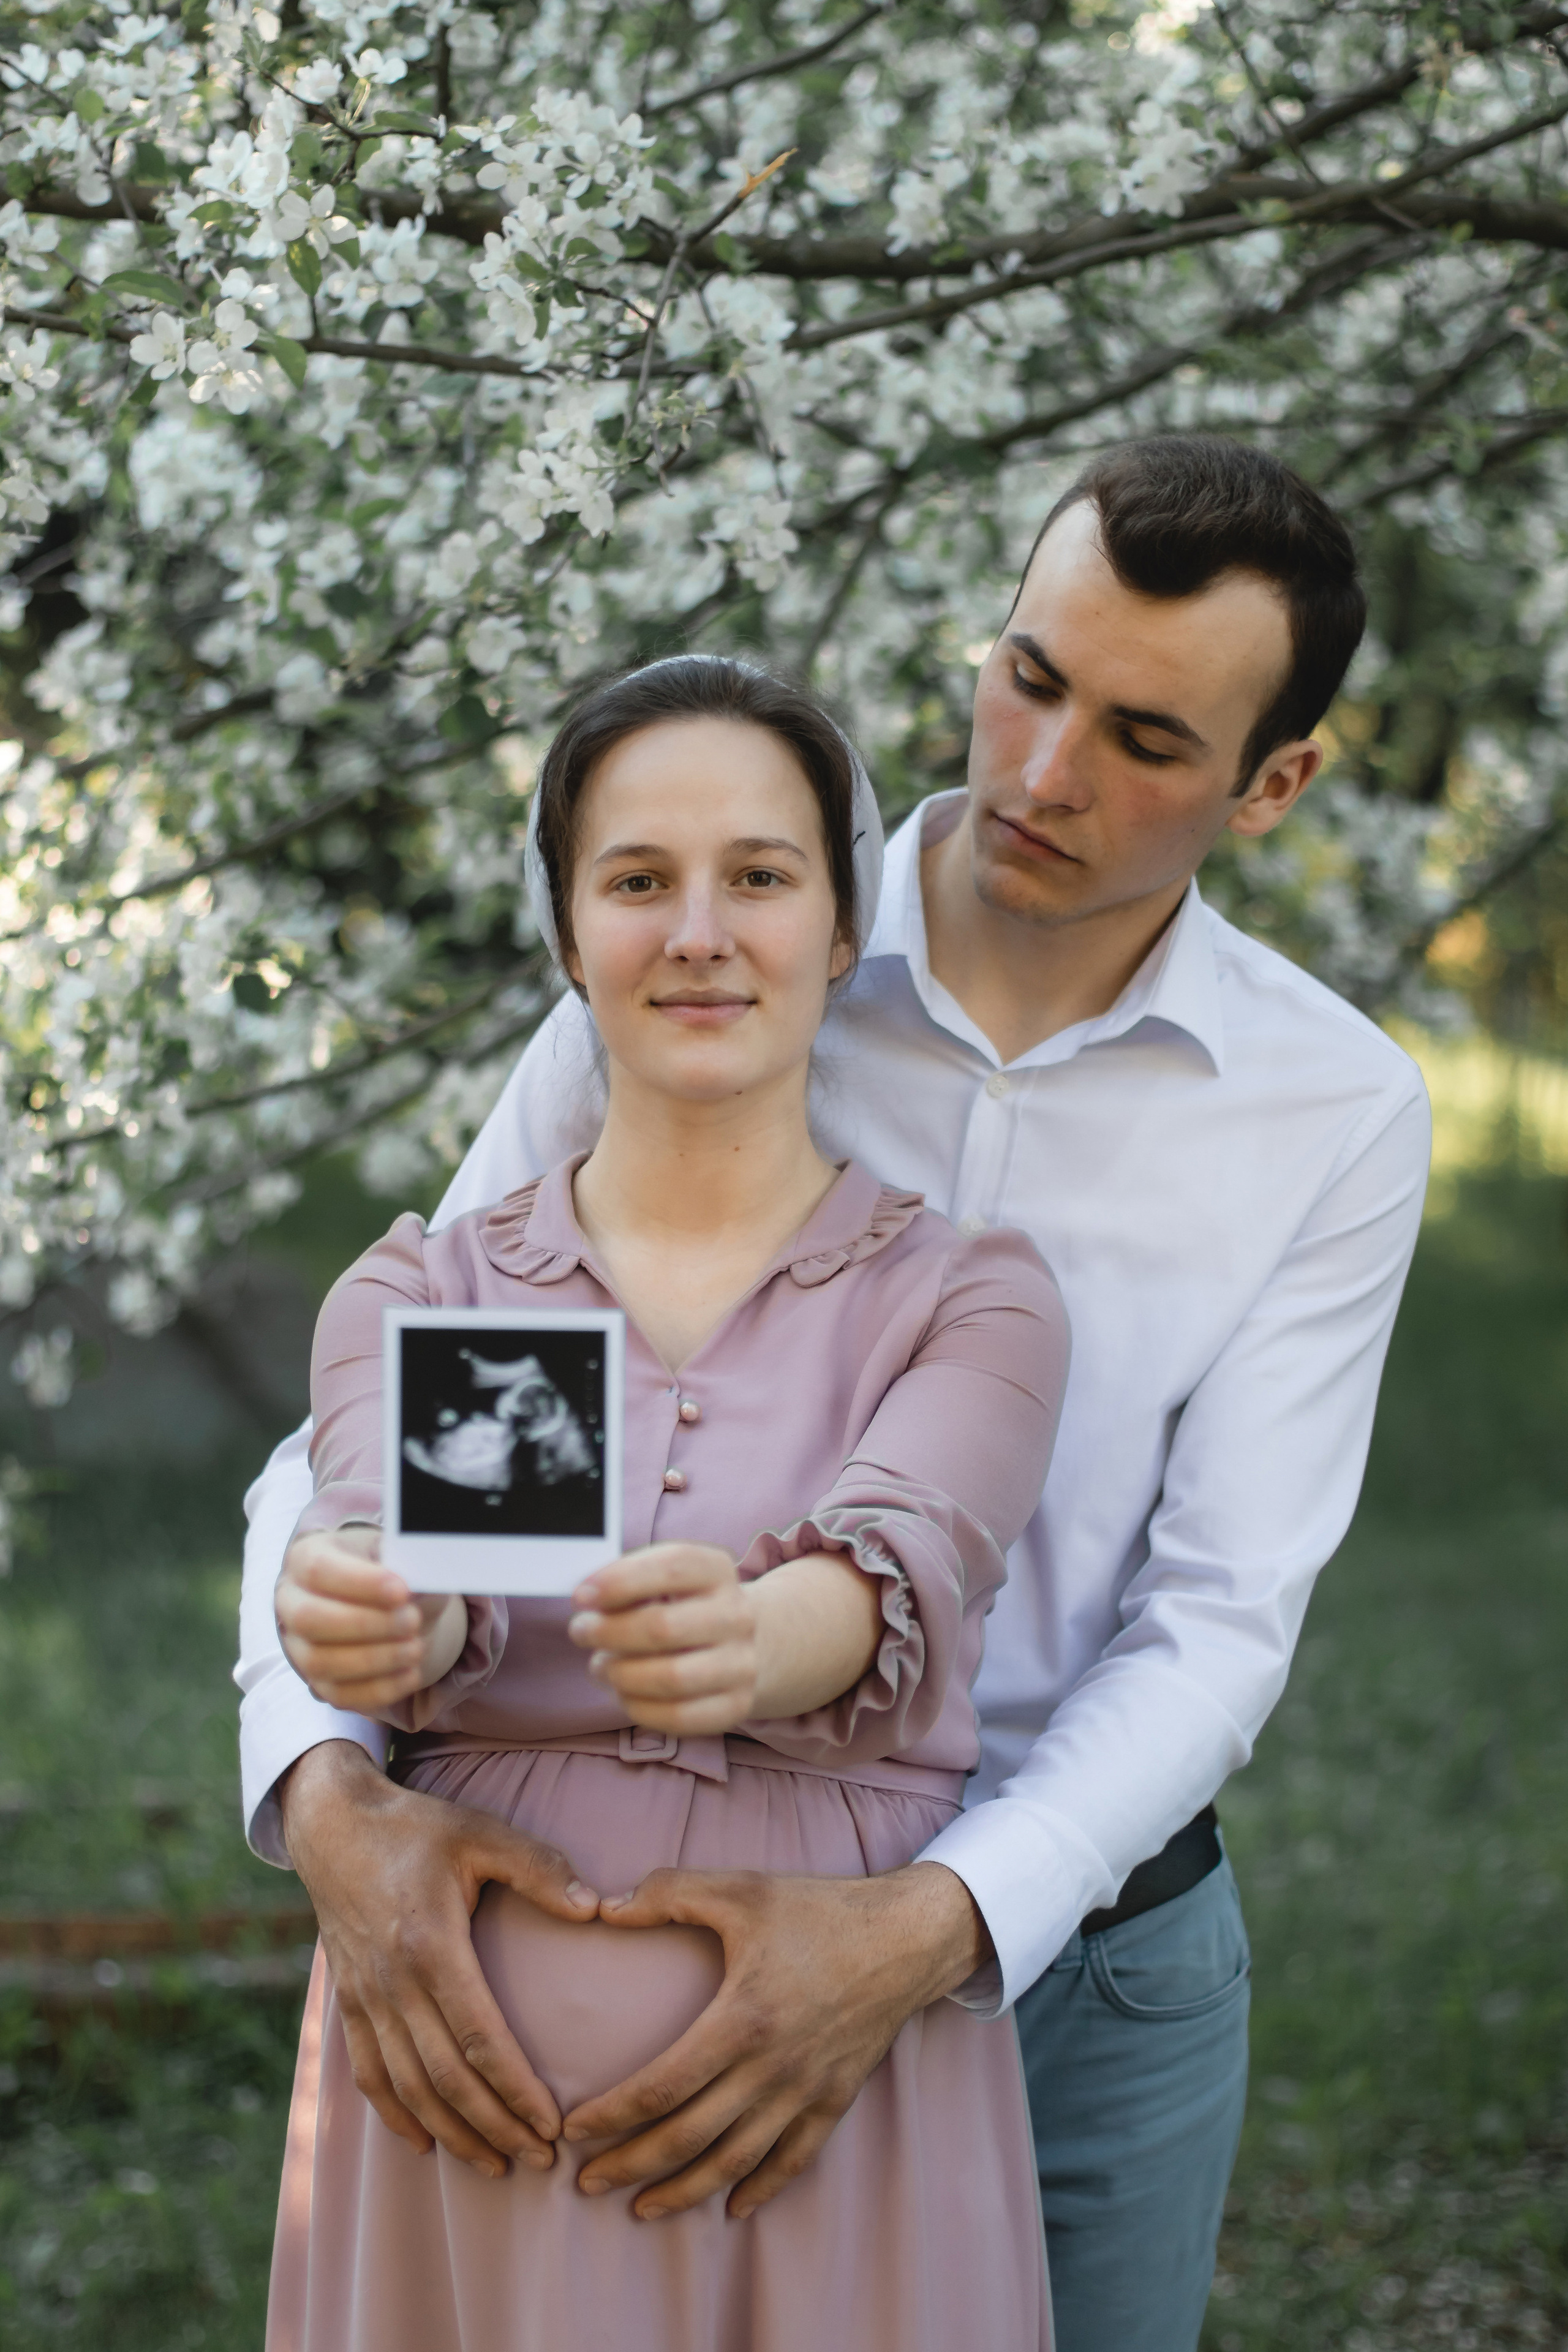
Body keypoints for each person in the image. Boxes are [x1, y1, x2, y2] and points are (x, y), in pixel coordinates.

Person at [236, 435, 1432, 2352]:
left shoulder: (1336, 1111)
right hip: (600, 1941)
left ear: (1274, 783)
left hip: (1086, 1953)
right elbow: (399, 1415)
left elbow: (1217, 1624)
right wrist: (322, 1789)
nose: (1042, 773)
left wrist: (924, 1927)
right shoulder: (717, 948)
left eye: (1144, 738)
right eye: (1030, 678)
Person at [264, 655, 1069, 2350]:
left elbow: (895, 1562)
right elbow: (403, 1554)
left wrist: (749, 1642)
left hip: (837, 2117)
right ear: (569, 936)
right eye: (639, 882)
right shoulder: (435, 1293)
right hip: (459, 2127)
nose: (699, 930)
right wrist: (363, 1599)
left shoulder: (968, 1299)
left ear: (842, 932)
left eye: (759, 878)